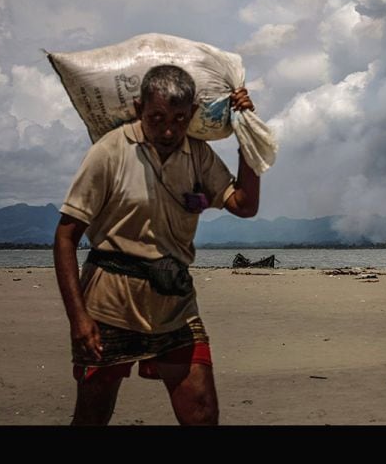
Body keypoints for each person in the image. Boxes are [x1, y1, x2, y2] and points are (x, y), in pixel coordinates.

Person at [53, 64, 260, 425]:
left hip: (175, 302)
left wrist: (246, 133)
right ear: (138, 109)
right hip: (110, 305)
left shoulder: (197, 155)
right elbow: (65, 236)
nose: (168, 129)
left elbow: (244, 205)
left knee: (202, 413)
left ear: (193, 114)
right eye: (157, 117)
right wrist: (79, 319)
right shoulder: (111, 152)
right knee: (92, 416)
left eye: (179, 119)